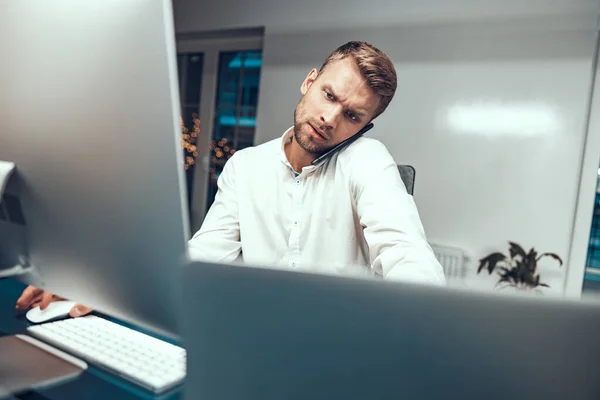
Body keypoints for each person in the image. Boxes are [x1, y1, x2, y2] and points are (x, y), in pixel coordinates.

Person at [15, 40, 445, 317]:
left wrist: (429, 326)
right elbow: (201, 259)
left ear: (365, 127)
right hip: (250, 341)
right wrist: (97, 290)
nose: (330, 118)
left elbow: (406, 254)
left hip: (337, 355)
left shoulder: (368, 160)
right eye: (328, 95)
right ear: (309, 82)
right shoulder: (246, 165)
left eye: (352, 115)